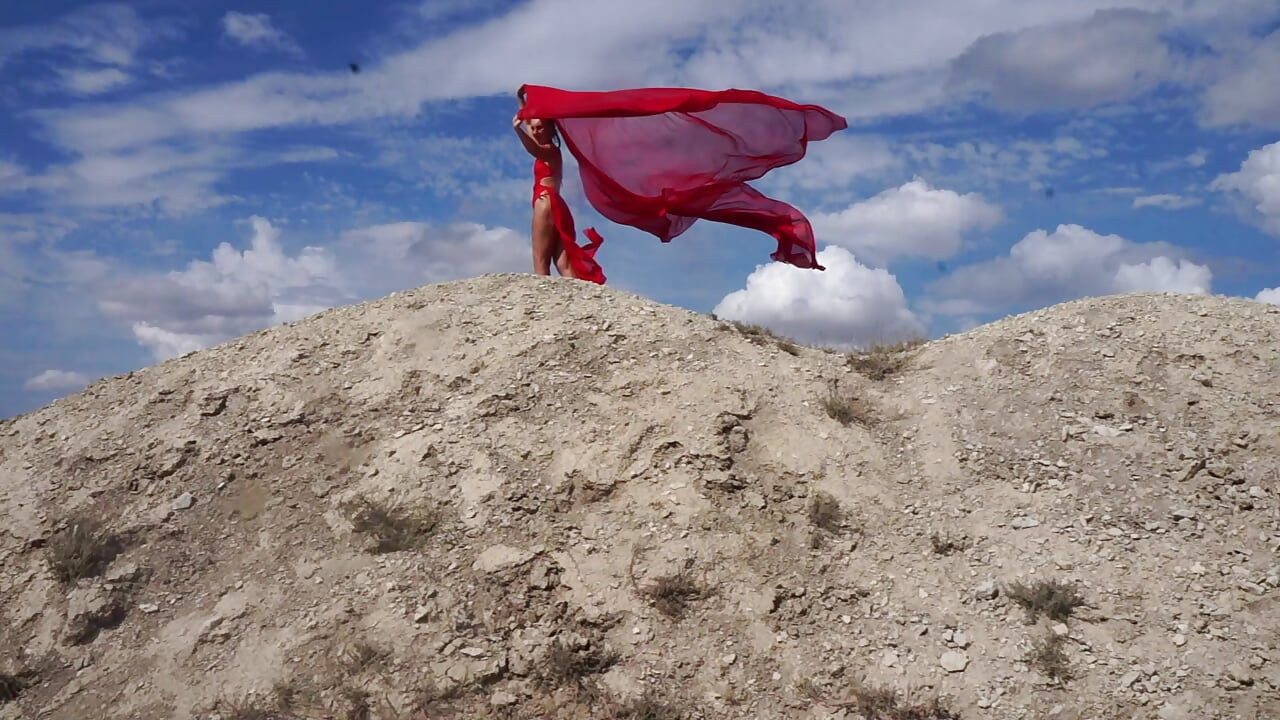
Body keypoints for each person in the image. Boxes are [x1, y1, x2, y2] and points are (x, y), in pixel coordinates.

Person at [513, 90, 577, 279]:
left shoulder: (549, 150)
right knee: (563, 263)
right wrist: (521, 100)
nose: (535, 132)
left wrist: (517, 130)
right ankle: (578, 302)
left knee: (540, 262)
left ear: (551, 129)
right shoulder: (545, 145)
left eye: (540, 128)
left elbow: (533, 148)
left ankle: (545, 306)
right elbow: (528, 121)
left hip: (545, 201)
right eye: (533, 129)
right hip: (556, 204)